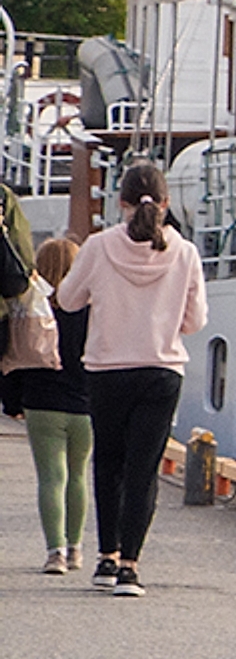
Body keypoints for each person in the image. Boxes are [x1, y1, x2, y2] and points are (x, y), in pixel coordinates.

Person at [57, 165, 209, 597]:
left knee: (108, 463)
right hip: (161, 369)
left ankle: (106, 558)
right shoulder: (185, 253)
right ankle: (130, 568)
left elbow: (68, 299)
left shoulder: (99, 246)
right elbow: (195, 322)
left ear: (120, 202)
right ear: (165, 203)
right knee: (144, 470)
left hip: (107, 369)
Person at [6, 234, 97, 572]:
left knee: (50, 478)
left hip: (41, 403)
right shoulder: (91, 312)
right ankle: (76, 549)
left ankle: (55, 553)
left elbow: (13, 357)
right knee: (78, 476)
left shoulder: (31, 309)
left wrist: (12, 403)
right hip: (85, 405)